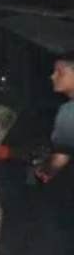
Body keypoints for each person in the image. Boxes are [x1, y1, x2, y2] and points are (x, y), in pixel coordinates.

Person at [39, 52, 74, 182]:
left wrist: (45, 171)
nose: (52, 76)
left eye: (60, 72)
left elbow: (60, 159)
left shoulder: (69, 111)